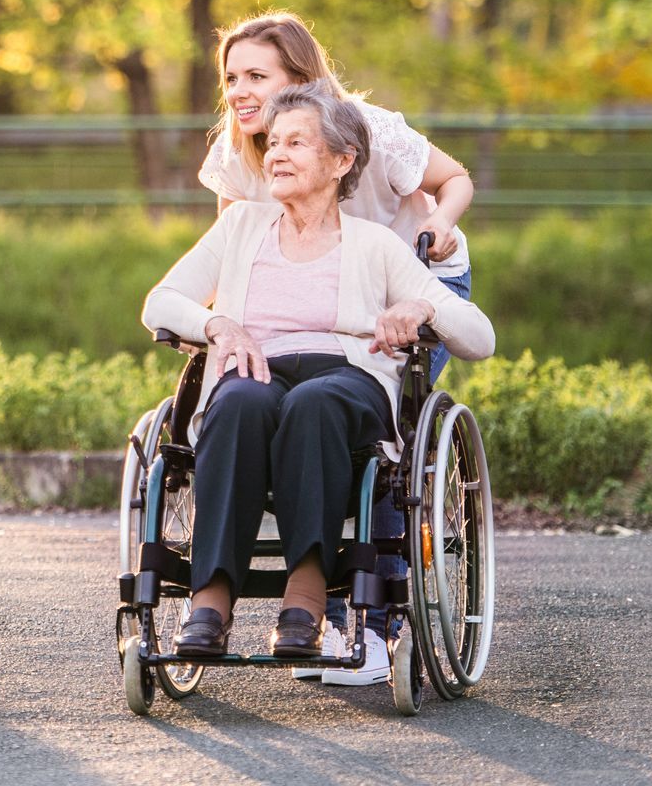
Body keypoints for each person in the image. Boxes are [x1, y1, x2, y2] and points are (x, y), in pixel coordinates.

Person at [141, 82, 495, 667]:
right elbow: (160, 301)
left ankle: (304, 596)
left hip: (346, 380)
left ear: (341, 161)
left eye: (296, 143)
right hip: (256, 368)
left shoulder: (376, 245)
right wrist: (218, 325)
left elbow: (480, 336)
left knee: (315, 403)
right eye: (273, 142)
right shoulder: (240, 228)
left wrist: (424, 308)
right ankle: (212, 598)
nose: (276, 153)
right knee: (236, 404)